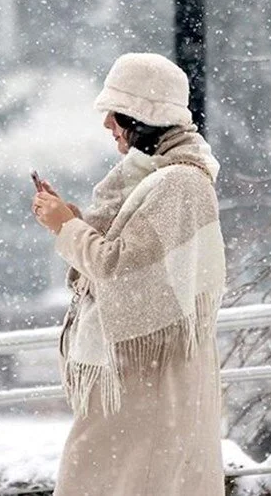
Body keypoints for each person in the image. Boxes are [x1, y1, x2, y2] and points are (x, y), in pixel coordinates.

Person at [31, 53, 227, 496]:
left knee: (113, 479)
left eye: (115, 113)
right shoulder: (155, 178)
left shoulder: (178, 184)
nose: (107, 125)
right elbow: (128, 258)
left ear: (142, 116)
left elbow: (120, 269)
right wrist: (71, 220)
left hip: (148, 382)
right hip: (141, 379)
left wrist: (66, 225)